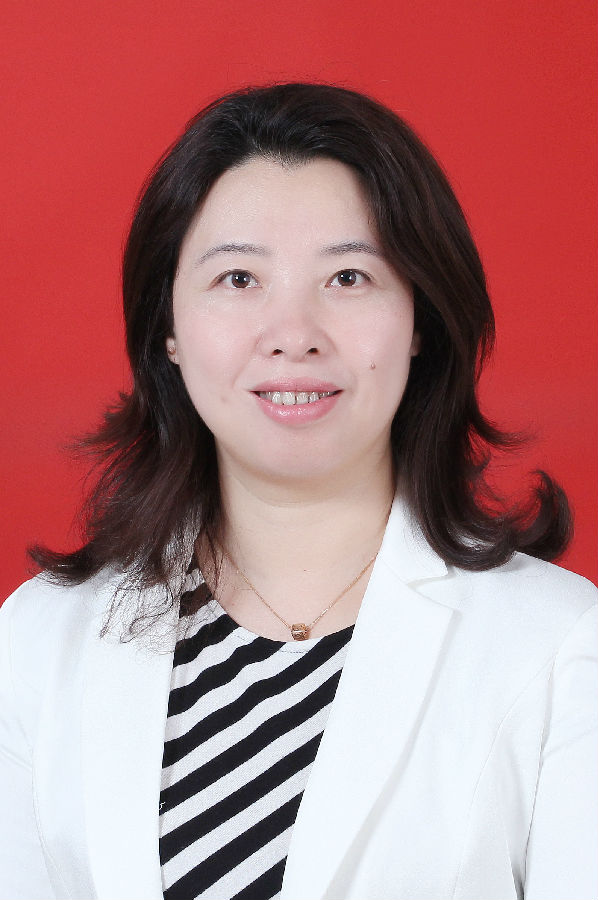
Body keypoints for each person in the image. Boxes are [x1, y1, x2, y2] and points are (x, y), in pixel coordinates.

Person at [0, 83, 596, 900]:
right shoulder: (37, 641)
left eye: (348, 277)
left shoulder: (560, 646)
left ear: (419, 320)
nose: (294, 335)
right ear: (167, 327)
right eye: (239, 279)